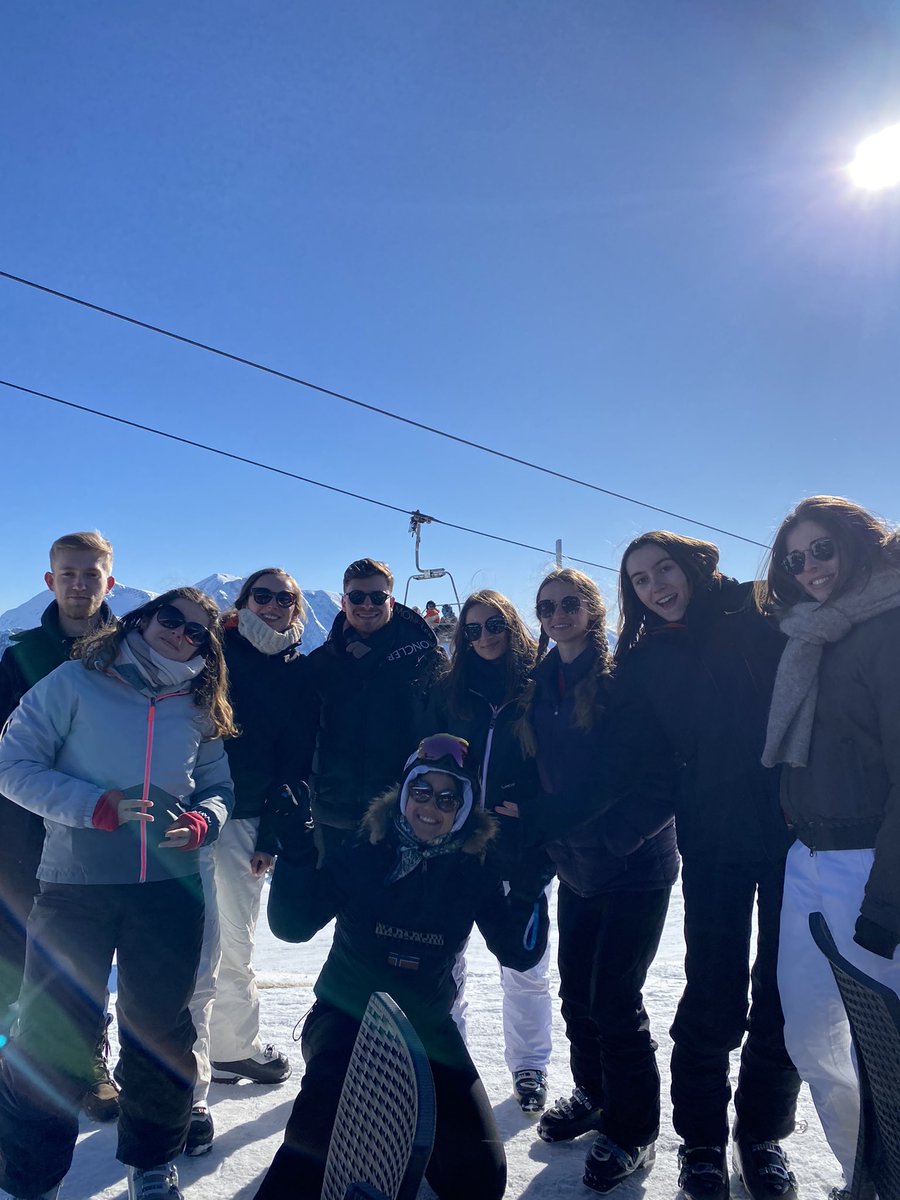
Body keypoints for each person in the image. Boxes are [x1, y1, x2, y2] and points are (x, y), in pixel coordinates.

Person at [0, 588, 235, 1200]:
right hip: (76, 886)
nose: (182, 634)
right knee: (52, 1034)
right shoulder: (76, 680)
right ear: (140, 618)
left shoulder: (200, 700)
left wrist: (206, 820)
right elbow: (11, 763)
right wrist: (92, 807)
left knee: (161, 1031)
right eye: (171, 618)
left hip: (169, 889)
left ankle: (152, 1164)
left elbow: (217, 784)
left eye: (198, 632)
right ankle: (30, 1181)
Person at [253, 734, 549, 1200]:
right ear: (405, 792)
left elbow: (518, 953)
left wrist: (530, 888)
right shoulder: (364, 849)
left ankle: (403, 1135)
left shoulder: (475, 870)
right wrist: (296, 851)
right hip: (345, 1017)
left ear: (465, 807)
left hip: (427, 1033)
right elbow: (293, 927)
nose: (431, 807)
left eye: (448, 798)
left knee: (480, 1182)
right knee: (311, 1149)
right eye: (422, 792)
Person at [616, 532, 801, 1200]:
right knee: (712, 991)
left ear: (692, 563)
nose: (656, 586)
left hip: (789, 831)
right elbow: (642, 759)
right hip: (713, 838)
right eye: (639, 580)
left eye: (664, 569)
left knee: (783, 993)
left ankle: (762, 1136)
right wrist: (613, 828)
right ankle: (700, 1141)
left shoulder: (759, 610)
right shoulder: (644, 661)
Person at [520, 568, 679, 1194]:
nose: (556, 615)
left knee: (615, 999)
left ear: (592, 611)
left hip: (634, 868)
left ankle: (635, 1129)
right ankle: (594, 1095)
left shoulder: (621, 684)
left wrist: (619, 838)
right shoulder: (541, 686)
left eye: (568, 605)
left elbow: (663, 777)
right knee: (578, 996)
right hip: (576, 865)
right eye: (545, 607)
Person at [760, 496, 900, 1191]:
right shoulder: (815, 635)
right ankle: (863, 1175)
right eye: (795, 558)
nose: (809, 567)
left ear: (856, 541)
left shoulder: (890, 628)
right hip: (807, 859)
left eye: (821, 549)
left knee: (886, 1053)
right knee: (811, 1038)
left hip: (869, 863)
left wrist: (888, 900)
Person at [186, 569, 316, 1156]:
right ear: (240, 604)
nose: (272, 606)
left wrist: (272, 834)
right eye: (260, 596)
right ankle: (187, 1086)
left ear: (297, 610)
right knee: (196, 945)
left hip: (246, 822)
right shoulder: (212, 653)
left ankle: (233, 1044)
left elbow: (294, 762)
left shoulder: (296, 671)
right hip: (186, 812)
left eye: (284, 598)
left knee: (235, 940)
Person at [0, 529, 119, 1122]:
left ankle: (86, 1062)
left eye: (89, 574)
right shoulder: (18, 654)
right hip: (24, 825)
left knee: (83, 953)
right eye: (67, 574)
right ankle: (12, 1064)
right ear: (49, 581)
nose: (78, 584)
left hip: (99, 828)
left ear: (109, 581)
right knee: (16, 947)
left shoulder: (136, 650)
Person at [443, 589, 554, 1113]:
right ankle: (450, 1060)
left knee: (526, 964)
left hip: (518, 850)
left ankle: (530, 1064)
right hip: (458, 846)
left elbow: (564, 764)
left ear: (512, 626)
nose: (484, 637)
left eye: (494, 626)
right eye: (472, 630)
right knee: (448, 960)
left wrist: (532, 809)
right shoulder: (452, 690)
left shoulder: (541, 686)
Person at [306, 558, 447, 862]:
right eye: (357, 597)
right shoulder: (321, 663)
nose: (367, 604)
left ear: (392, 601)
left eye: (377, 597)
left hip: (402, 816)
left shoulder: (424, 660)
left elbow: (446, 728)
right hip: (330, 815)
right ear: (344, 602)